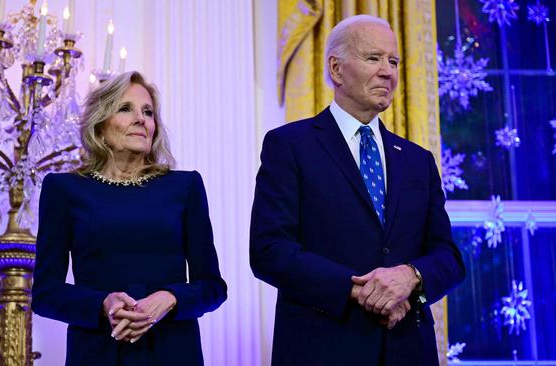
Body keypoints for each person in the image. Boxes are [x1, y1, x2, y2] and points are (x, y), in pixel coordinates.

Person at [250, 15, 465, 366]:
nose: (388, 72)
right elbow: (269, 251)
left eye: (393, 61)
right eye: (373, 58)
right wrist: (361, 291)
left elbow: (449, 257)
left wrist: (409, 277)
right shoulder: (289, 145)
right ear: (336, 69)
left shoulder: (417, 160)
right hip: (322, 348)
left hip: (407, 350)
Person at [32, 71, 227, 365]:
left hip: (173, 352)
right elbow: (45, 294)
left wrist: (170, 298)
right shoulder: (64, 190)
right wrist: (102, 304)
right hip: (98, 353)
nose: (141, 119)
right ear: (100, 126)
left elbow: (213, 287)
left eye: (148, 112)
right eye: (126, 108)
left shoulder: (185, 187)